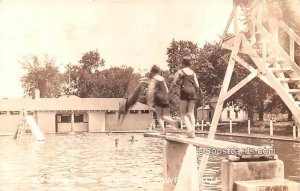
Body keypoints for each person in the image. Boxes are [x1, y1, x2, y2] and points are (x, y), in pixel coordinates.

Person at [170, 57, 199, 138]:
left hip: (184, 90)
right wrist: (195, 92)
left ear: (182, 63)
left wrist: (169, 91)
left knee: (183, 113)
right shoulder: (193, 73)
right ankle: (192, 131)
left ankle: (189, 129)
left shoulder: (180, 71)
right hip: (192, 90)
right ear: (190, 64)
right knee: (191, 112)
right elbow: (197, 85)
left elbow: (174, 82)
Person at [147, 65, 178, 135]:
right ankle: (172, 121)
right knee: (165, 116)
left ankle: (163, 131)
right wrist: (166, 97)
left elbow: (150, 90)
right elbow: (167, 90)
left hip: (158, 96)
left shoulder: (154, 79)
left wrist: (149, 102)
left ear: (152, 71)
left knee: (159, 116)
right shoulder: (162, 78)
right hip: (165, 97)